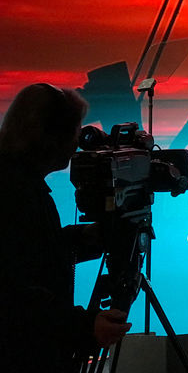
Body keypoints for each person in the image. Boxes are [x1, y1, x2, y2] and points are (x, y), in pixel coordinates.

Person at [0, 83, 131, 372]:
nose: (77, 143)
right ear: (50, 137)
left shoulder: (19, 183)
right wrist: (84, 327)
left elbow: (31, 249)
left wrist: (82, 238)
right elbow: (15, 292)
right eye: (74, 132)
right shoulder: (16, 193)